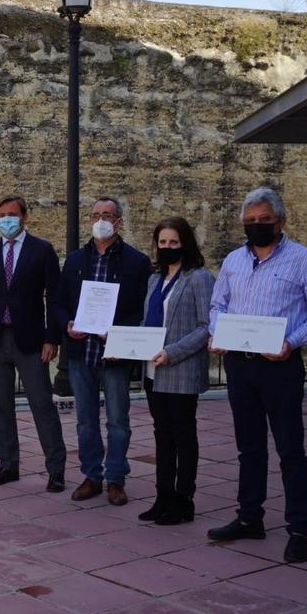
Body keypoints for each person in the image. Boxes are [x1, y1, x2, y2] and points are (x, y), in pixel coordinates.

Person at [207, 187, 307, 564]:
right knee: (249, 448)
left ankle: (299, 528)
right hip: (240, 364)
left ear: (280, 221)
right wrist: (216, 332)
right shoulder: (233, 260)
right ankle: (250, 517)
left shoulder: (303, 260)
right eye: (250, 222)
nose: (257, 226)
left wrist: (291, 342)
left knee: (290, 449)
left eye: (264, 220)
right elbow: (219, 305)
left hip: (280, 365)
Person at [55, 197, 151, 507]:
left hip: (115, 354)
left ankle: (116, 479)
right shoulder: (74, 261)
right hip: (81, 352)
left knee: (118, 420)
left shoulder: (137, 262)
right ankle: (92, 476)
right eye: (95, 215)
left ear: (119, 221)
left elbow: (142, 309)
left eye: (107, 214)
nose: (100, 220)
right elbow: (58, 302)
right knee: (85, 419)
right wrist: (67, 323)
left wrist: (119, 332)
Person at [0, 195, 67, 493]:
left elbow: (55, 296)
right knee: (1, 406)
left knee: (41, 405)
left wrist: (52, 337)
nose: (6, 219)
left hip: (31, 341)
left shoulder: (42, 250)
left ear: (25, 217)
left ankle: (56, 469)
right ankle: (8, 464)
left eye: (12, 214)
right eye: (1, 214)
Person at [136, 216, 213, 526]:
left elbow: (207, 326)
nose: (167, 247)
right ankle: (163, 496)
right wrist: (122, 340)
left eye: (174, 242)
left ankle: (184, 500)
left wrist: (173, 352)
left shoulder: (199, 278)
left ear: (186, 244)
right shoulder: (154, 280)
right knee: (161, 436)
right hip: (153, 370)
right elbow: (148, 323)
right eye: (162, 242)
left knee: (183, 435)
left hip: (180, 370)